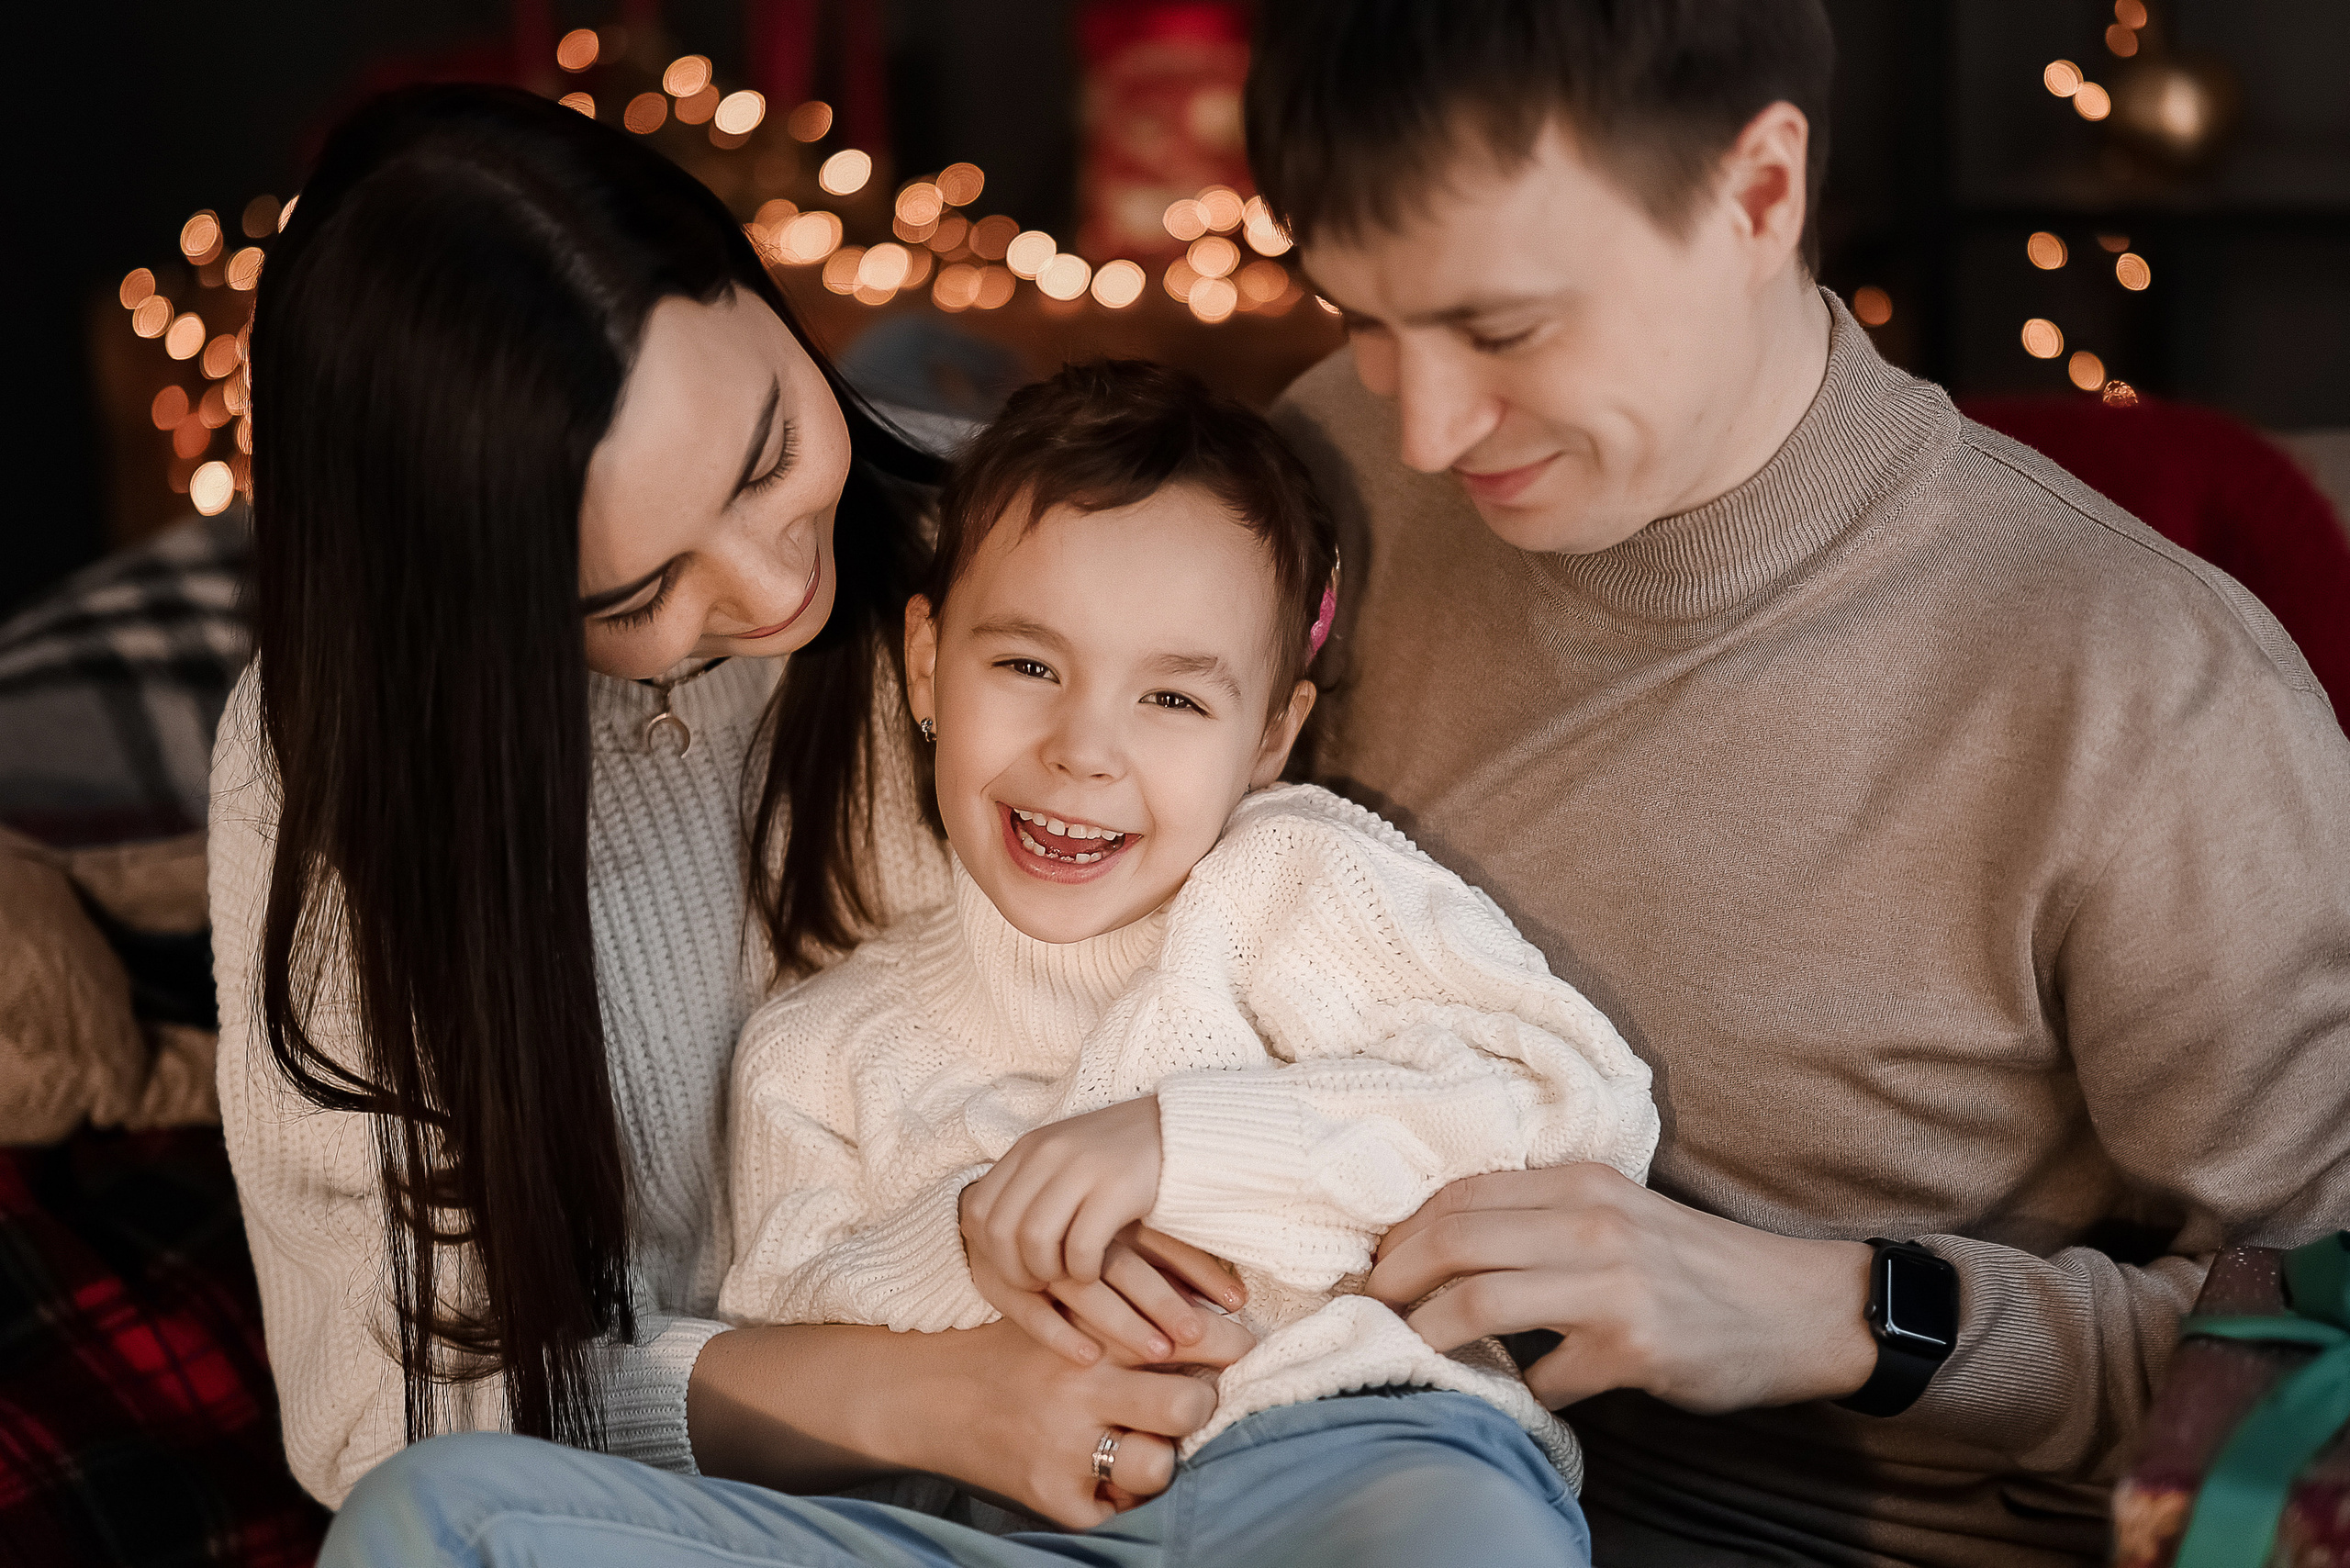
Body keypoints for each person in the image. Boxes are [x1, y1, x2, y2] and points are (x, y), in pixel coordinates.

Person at [1249, 2, 2350, 1564]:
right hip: (1295, 1452)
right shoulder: (1336, 448)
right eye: (1360, 313)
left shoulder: (2147, 695)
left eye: (1502, 332)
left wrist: (1852, 1312)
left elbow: (2322, 1338)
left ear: (1758, 194)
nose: (1424, 425)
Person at [319, 368, 1638, 1566]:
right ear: (924, 666)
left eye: (1172, 699)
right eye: (1026, 665)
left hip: (1352, 1466)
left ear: (1271, 735)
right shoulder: (817, 1052)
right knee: (439, 1517)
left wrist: (1182, 1144)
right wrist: (970, 1238)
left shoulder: (1299, 884)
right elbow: (788, 1336)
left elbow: (1571, 1103)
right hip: (991, 1534)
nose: (1084, 749)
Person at [211, 84, 1231, 1536]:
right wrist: (926, 1399)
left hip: (1155, 1440)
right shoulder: (331, 764)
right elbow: (398, 1423)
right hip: (720, 1518)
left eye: (766, 460)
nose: (769, 594)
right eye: (636, 597)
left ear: (755, 288)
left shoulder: (1021, 561)